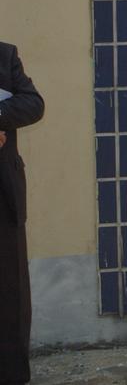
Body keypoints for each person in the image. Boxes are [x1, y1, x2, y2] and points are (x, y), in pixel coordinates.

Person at [0, 41, 45, 385]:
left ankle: (13, 375)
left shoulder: (5, 55)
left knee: (11, 293)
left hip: (4, 198)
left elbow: (33, 104)